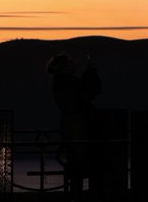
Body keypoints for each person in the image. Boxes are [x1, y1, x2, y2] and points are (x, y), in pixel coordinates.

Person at [47, 53, 101, 199]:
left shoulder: (61, 80)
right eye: (69, 61)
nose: (73, 63)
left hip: (71, 123)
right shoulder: (66, 81)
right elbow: (85, 94)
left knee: (77, 158)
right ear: (64, 65)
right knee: (80, 158)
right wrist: (90, 73)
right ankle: (77, 193)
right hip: (76, 124)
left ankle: (75, 191)